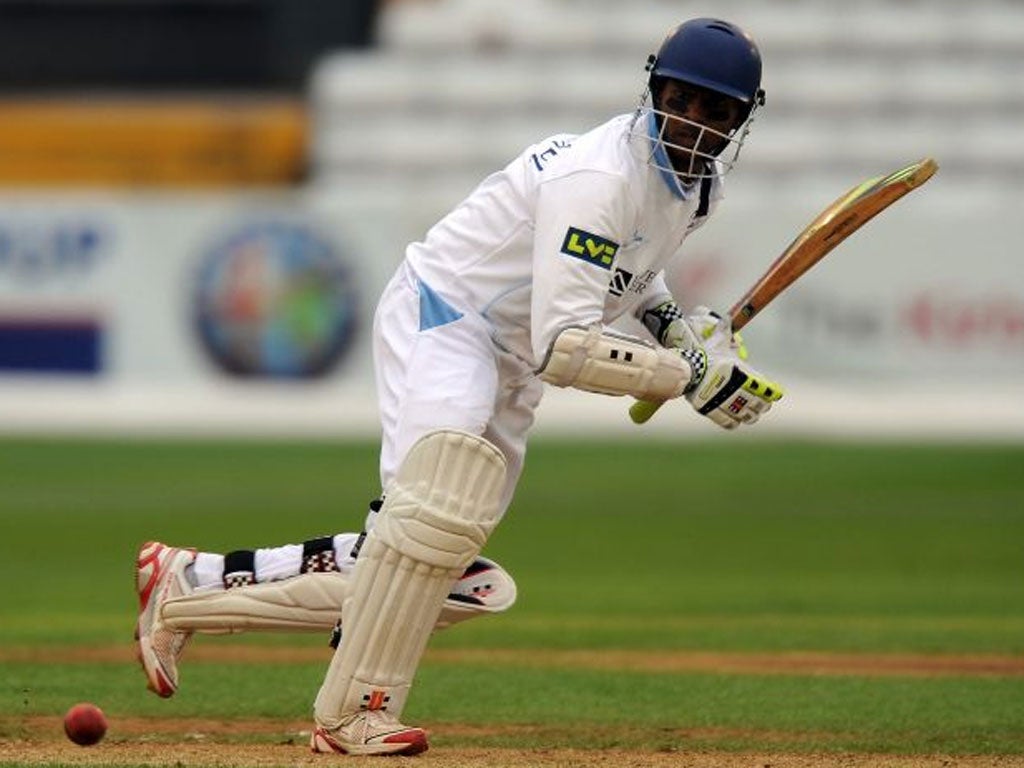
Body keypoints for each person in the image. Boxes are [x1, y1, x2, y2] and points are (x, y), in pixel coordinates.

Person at [134, 17, 784, 757]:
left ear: (741, 119)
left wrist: (673, 327)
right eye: (680, 99)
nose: (692, 123)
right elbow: (565, 347)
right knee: (428, 525)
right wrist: (685, 376)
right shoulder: (598, 180)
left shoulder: (698, 190)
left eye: (715, 112)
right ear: (654, 88)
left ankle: (191, 583)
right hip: (448, 315)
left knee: (444, 572)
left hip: (507, 356)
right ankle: (349, 718)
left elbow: (630, 276)